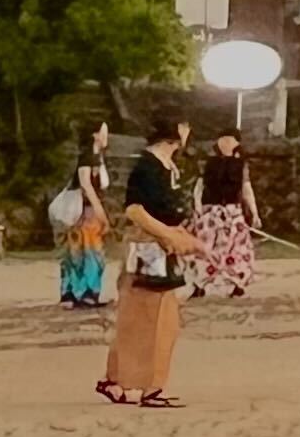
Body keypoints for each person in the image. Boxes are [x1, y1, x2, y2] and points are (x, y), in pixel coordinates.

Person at [99, 115, 199, 407]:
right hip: (148, 248)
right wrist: (168, 234)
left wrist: (180, 236)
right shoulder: (148, 166)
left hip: (159, 245)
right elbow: (135, 210)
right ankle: (147, 386)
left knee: (141, 319)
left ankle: (118, 380)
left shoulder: (165, 166)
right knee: (151, 320)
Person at [190, 131, 263, 297]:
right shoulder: (209, 163)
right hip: (210, 210)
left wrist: (254, 212)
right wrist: (198, 206)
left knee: (236, 248)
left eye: (230, 140)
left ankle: (237, 283)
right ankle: (200, 283)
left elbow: (246, 188)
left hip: (232, 211)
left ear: (236, 143)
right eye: (222, 139)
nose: (225, 143)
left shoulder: (241, 165)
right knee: (205, 247)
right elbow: (199, 186)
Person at [52, 123, 112, 310]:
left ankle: (71, 293)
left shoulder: (95, 157)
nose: (106, 135)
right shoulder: (89, 157)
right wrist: (100, 212)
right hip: (86, 214)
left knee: (77, 253)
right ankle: (86, 294)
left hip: (84, 213)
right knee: (90, 254)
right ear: (95, 135)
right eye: (104, 131)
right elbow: (86, 185)